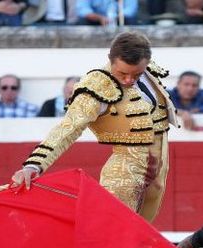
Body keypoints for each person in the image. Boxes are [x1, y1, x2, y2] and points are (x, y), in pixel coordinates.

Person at [11, 31, 178, 223]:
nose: (129, 80)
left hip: (157, 173)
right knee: (115, 233)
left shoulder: (149, 72)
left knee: (139, 234)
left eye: (136, 74)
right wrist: (34, 165)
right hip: (123, 175)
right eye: (122, 73)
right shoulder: (96, 87)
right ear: (111, 60)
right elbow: (67, 129)